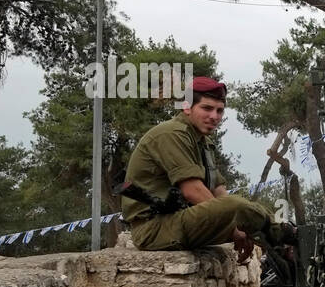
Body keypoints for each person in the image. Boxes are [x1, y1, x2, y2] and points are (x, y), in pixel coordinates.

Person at [122, 76, 295, 260]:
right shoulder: (172, 134)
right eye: (207, 108)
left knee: (241, 206)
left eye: (219, 111)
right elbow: (192, 191)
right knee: (236, 206)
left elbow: (218, 191)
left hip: (176, 222)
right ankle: (287, 236)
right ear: (187, 107)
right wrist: (233, 229)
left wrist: (241, 226)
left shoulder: (203, 142)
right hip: (154, 229)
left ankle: (285, 247)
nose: (214, 117)